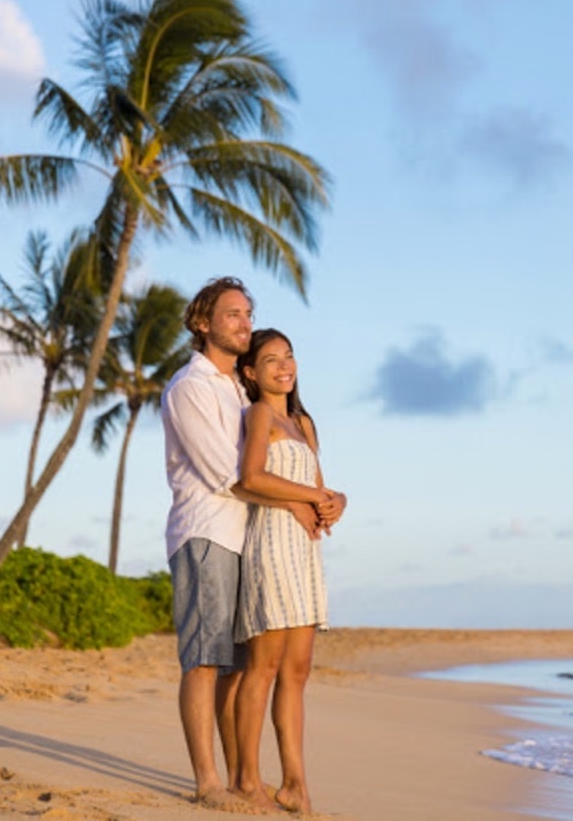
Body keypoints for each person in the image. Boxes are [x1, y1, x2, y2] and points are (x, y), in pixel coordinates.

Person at [161, 279, 338, 807]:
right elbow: (229, 474)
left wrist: (324, 500)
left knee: (238, 667)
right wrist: (304, 500)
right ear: (203, 323)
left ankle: (244, 776)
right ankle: (207, 782)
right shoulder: (190, 387)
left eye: (247, 314)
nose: (243, 322)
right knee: (204, 659)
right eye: (232, 314)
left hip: (247, 538)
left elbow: (267, 471)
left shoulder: (240, 391)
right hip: (206, 531)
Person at [231, 328, 346, 813]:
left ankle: (295, 782)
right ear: (251, 373)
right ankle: (246, 779)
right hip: (272, 542)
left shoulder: (304, 423)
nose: (285, 365)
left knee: (297, 672)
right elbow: (250, 477)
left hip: (304, 549)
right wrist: (311, 498)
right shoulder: (259, 414)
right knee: (265, 666)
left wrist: (336, 500)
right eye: (271, 359)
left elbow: (318, 485)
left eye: (290, 356)